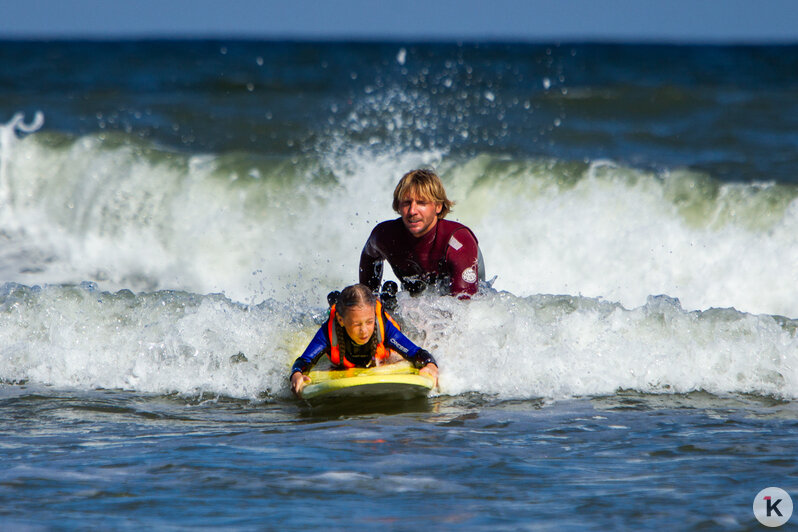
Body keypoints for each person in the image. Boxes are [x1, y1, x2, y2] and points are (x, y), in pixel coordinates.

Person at [290, 284, 439, 396]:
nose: (364, 330)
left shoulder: (383, 328)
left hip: (384, 319)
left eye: (369, 322)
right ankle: (335, 302)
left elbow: (415, 352)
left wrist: (430, 364)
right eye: (357, 324)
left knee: (391, 314)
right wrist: (296, 375)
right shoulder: (328, 332)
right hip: (341, 316)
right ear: (341, 321)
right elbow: (303, 361)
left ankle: (388, 298)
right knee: (335, 308)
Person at [359, 168, 483, 300]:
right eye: (406, 203)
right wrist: (368, 302)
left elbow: (464, 308)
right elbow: (369, 255)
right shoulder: (384, 236)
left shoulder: (458, 242)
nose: (412, 211)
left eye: (421, 203)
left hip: (466, 296)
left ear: (438, 206)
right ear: (398, 206)